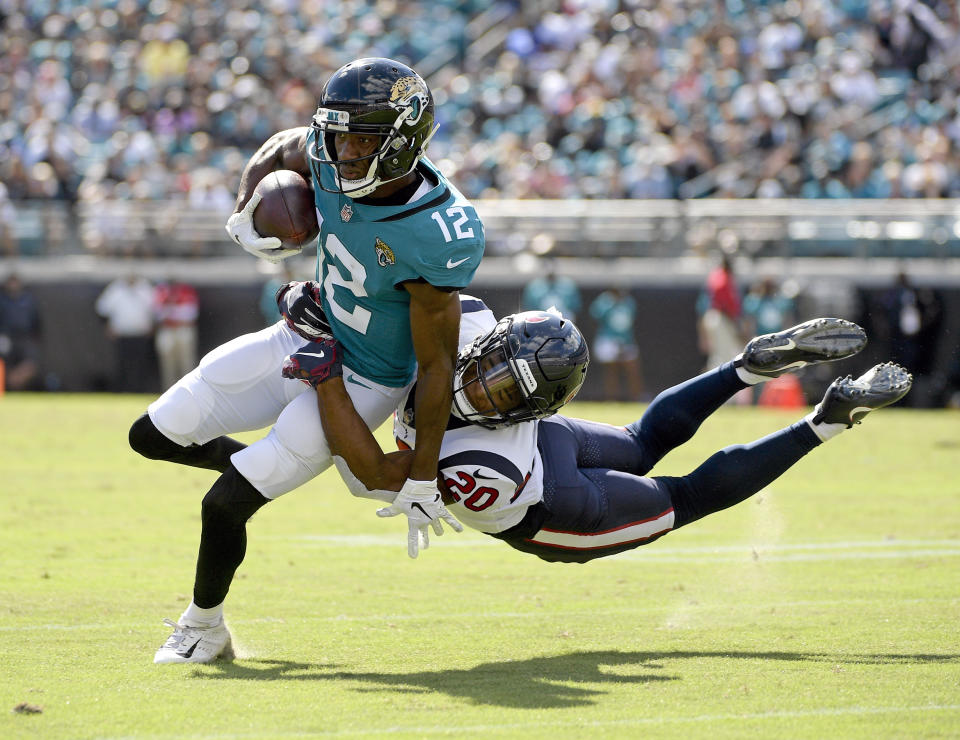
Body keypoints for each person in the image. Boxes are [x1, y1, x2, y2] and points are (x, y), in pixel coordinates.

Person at [130, 58, 484, 664]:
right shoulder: (325, 150)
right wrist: (246, 210)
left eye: (361, 139)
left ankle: (203, 626)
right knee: (152, 434)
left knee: (224, 505)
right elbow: (282, 146)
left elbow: (435, 367)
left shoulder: (436, 230)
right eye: (338, 132)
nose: (340, 150)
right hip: (304, 332)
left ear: (401, 145)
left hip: (364, 375)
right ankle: (255, 469)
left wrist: (422, 473)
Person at [285, 298, 910, 567]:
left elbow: (369, 467)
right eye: (490, 373)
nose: (480, 390)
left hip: (550, 506)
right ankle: (743, 369)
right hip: (542, 448)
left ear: (523, 410)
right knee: (639, 443)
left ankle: (822, 420)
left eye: (503, 394)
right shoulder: (470, 326)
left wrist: (327, 377)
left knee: (685, 494)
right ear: (491, 341)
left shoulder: (476, 462)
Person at [96, 272, 156, 392]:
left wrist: (153, 325)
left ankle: (140, 389)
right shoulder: (116, 288)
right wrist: (108, 325)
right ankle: (124, 389)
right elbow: (102, 308)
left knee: (140, 364)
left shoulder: (145, 288)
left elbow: (155, 309)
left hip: (141, 334)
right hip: (122, 334)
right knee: (123, 363)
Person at [588, 287, 644, 401]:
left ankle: (637, 397)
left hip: (626, 340)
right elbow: (595, 316)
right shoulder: (604, 301)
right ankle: (612, 399)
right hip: (608, 340)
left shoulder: (629, 302)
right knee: (611, 370)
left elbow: (629, 321)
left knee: (632, 369)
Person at [153, 277, 199, 390]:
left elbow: (191, 315)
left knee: (186, 362)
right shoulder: (162, 293)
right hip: (167, 330)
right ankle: (168, 391)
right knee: (168, 364)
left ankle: (189, 390)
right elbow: (157, 314)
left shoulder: (187, 292)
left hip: (183, 329)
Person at [0, 273, 42, 390]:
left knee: (30, 363)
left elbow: (36, 320)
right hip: (6, 337)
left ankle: (16, 383)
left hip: (24, 337)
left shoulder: (28, 300)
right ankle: (6, 385)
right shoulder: (2, 300)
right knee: (4, 363)